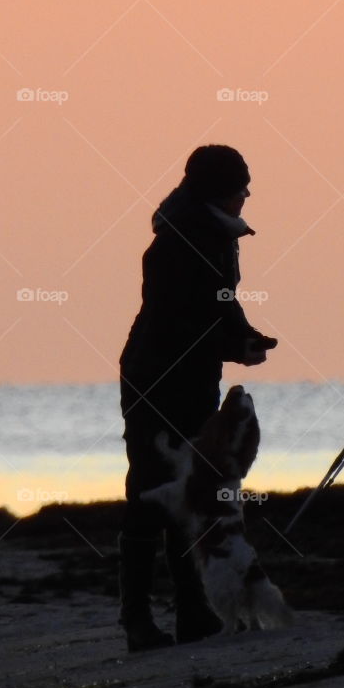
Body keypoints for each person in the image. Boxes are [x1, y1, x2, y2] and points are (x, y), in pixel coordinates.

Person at [119, 145, 277, 651]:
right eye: (239, 187)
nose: (246, 195)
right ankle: (137, 619)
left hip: (194, 377)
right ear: (217, 191)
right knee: (150, 494)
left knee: (193, 493)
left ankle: (192, 612)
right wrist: (233, 344)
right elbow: (178, 319)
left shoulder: (216, 235)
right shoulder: (174, 243)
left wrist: (244, 338)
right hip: (155, 379)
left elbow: (221, 305)